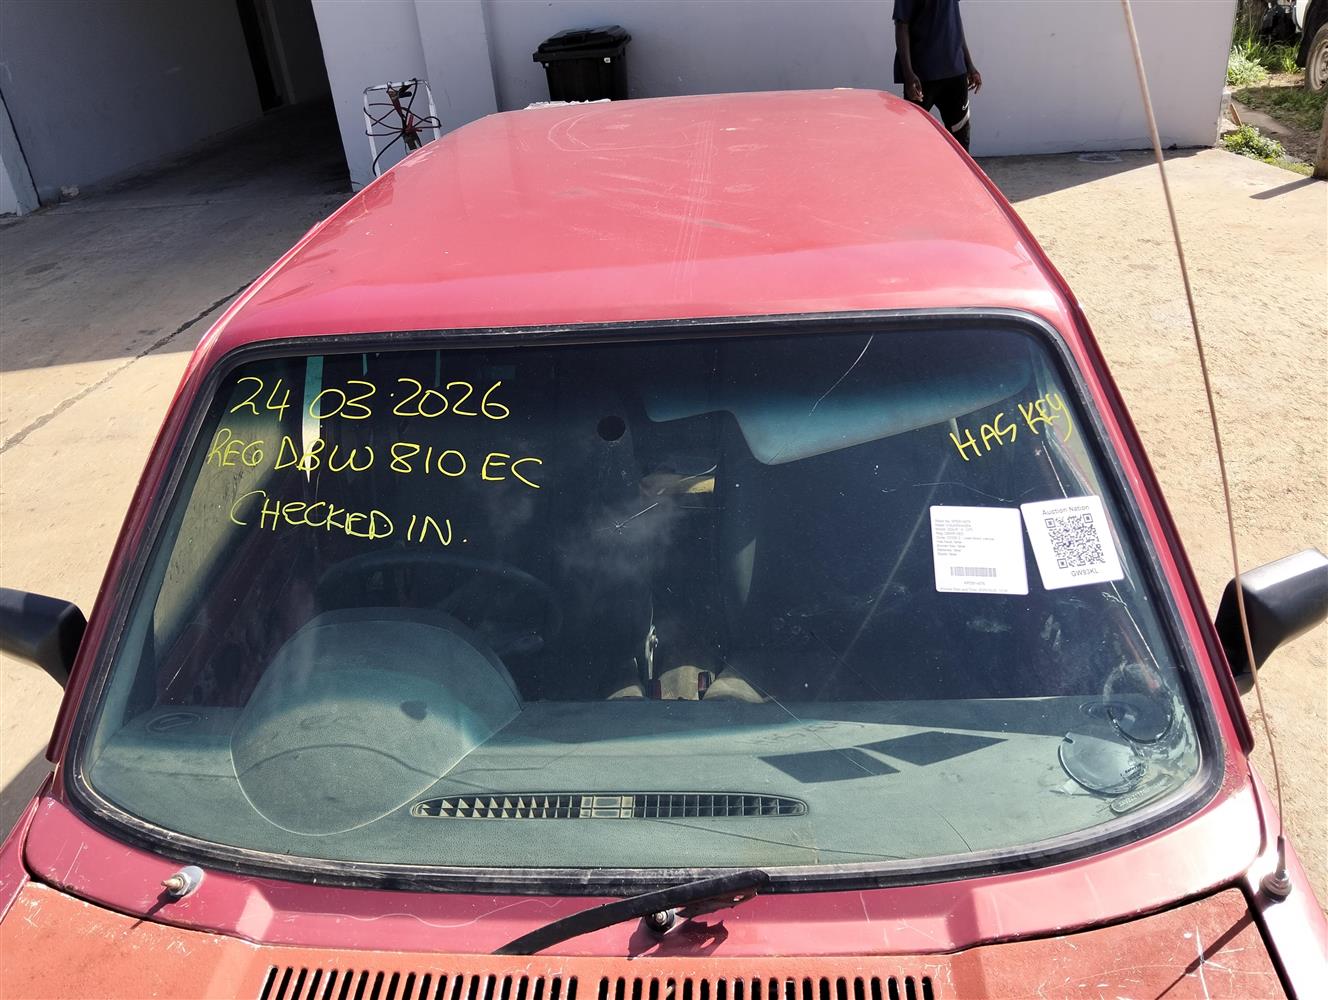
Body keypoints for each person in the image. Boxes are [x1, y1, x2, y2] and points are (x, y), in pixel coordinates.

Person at [893, 0, 982, 151]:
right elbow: (902, 25)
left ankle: (956, 169)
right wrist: (908, 74)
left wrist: (969, 64)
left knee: (961, 142)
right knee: (911, 142)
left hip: (955, 74)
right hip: (922, 78)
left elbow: (955, 20)